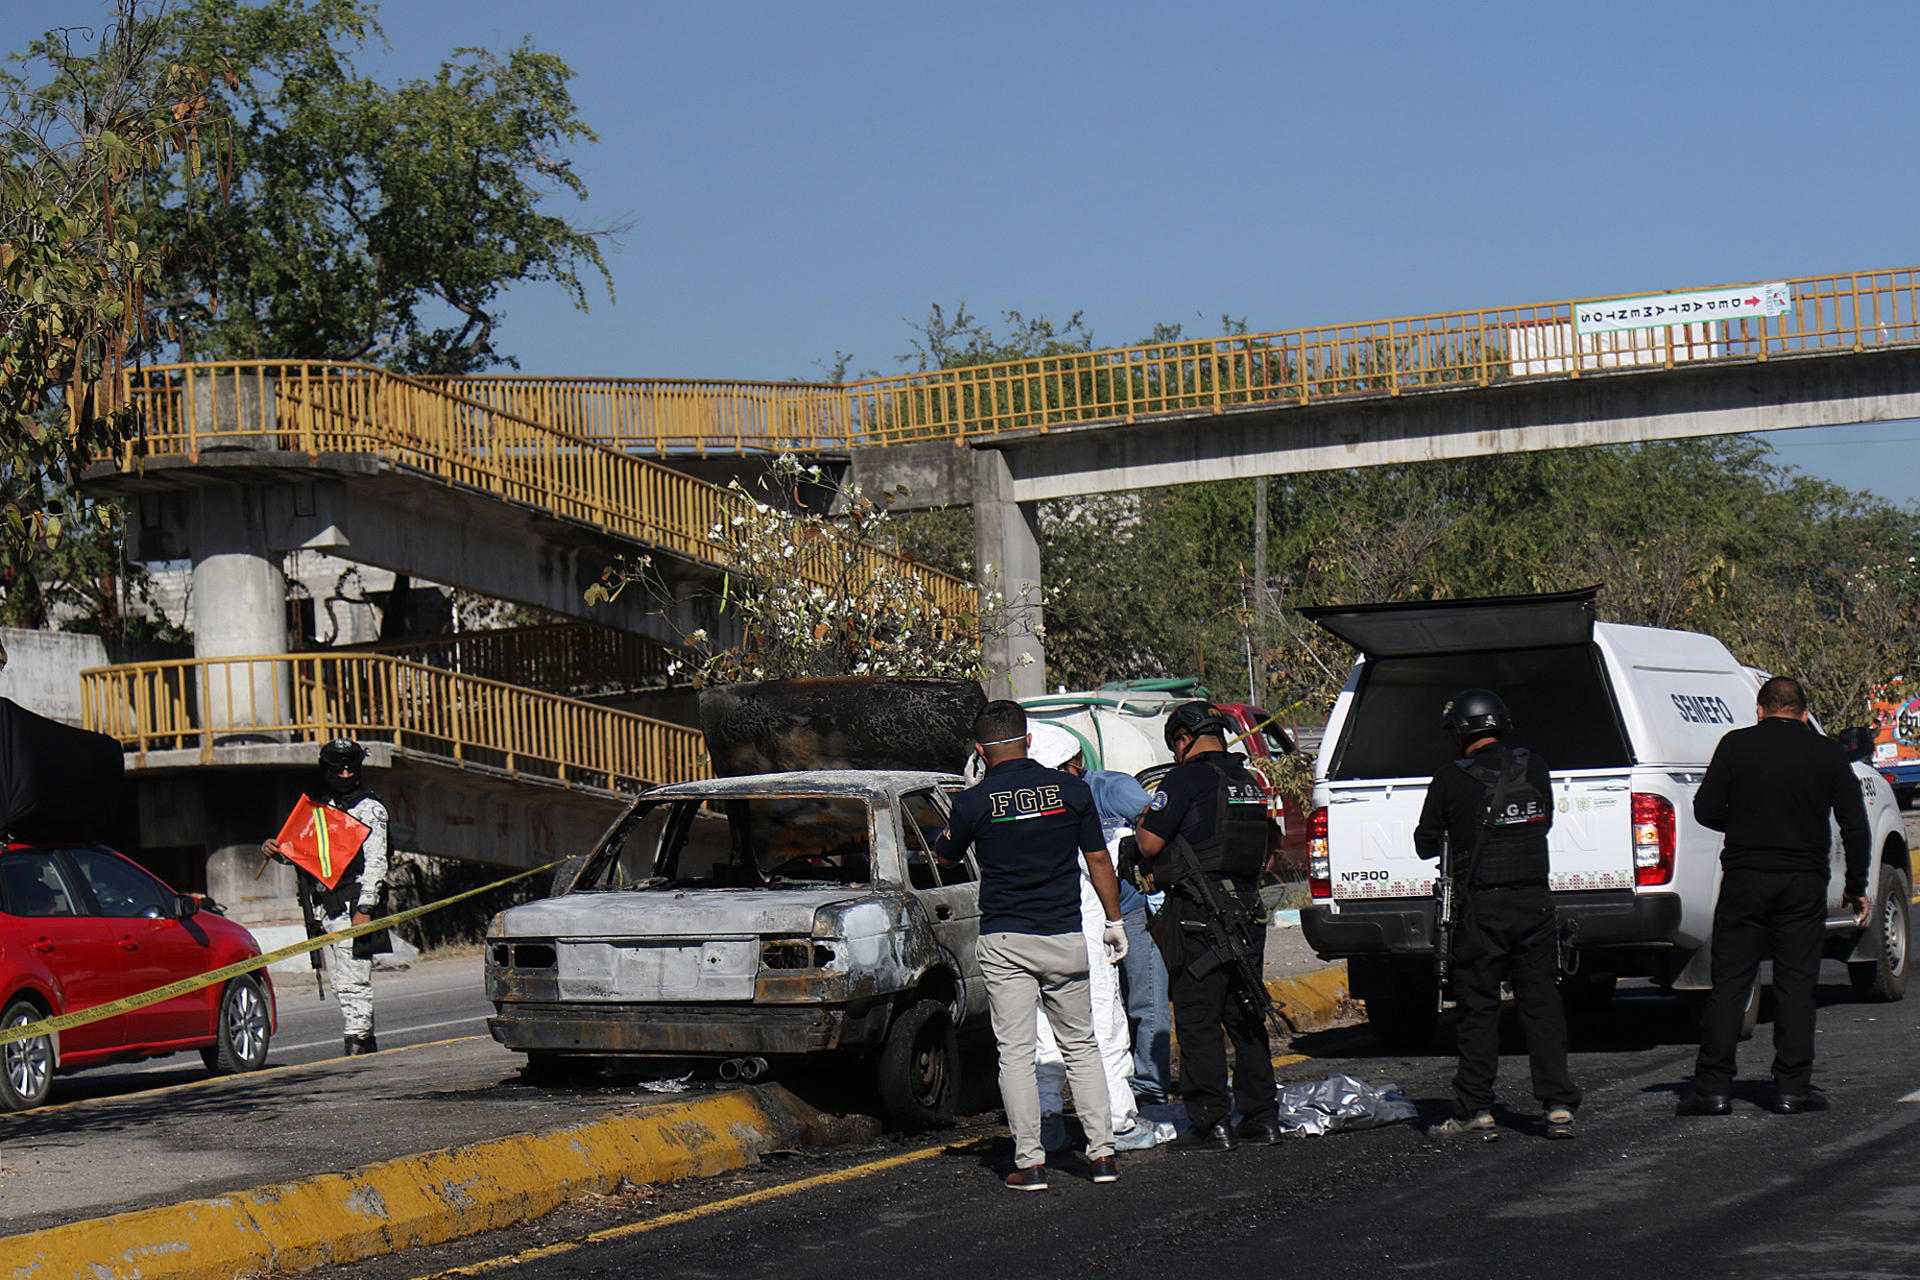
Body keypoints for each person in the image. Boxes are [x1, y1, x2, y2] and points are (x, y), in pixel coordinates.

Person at [934, 701, 1127, 1191]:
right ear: (1028, 740)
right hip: (1065, 935)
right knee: (1081, 1047)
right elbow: (1099, 860)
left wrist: (944, 837)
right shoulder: (1071, 790)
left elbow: (948, 858)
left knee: (1016, 1053)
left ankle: (1030, 1163)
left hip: (1006, 940)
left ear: (980, 750)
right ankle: (1102, 1156)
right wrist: (1114, 921)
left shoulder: (973, 802)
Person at [1676, 675, 1871, 1117]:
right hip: (1802, 881)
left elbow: (1705, 808)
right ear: (1804, 714)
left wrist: (1746, 824)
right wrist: (1856, 886)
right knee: (1797, 984)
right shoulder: (1826, 752)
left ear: (1760, 710)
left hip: (1745, 877)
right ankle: (1791, 1088)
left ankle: (1712, 1089)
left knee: (1730, 983)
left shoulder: (1735, 745)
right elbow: (1855, 824)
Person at [1414, 688, 1580, 1139]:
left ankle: (1475, 1107)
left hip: (1482, 907)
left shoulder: (1452, 778)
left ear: (1459, 731)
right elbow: (1541, 822)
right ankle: (1558, 1105)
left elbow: (1425, 841)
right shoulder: (1535, 767)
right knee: (1543, 1006)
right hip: (1535, 902)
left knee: (1479, 1009)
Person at [1133, 700, 1279, 1152]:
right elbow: (1267, 848)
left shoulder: (1184, 779)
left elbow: (1149, 841)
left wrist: (1143, 824)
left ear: (1182, 739)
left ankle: (1210, 1122)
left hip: (1198, 914)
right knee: (1246, 1013)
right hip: (1247, 911)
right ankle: (1262, 1117)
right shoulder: (1248, 781)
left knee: (1199, 1018)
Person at [1024, 723, 1159, 1152]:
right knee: (1101, 1022)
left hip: (1026, 932)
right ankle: (1118, 1122)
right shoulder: (1074, 802)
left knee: (1041, 1031)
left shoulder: (1003, 806)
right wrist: (1115, 921)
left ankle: (1047, 1124)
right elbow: (1099, 863)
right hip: (1081, 927)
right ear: (1069, 766)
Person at [262, 738, 391, 1055]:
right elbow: (308, 853)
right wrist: (277, 851)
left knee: (354, 974)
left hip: (355, 898)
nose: (346, 774)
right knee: (339, 976)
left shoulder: (370, 809)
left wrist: (366, 906)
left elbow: (377, 862)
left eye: (352, 768)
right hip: (327, 902)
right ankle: (360, 1034)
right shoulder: (321, 808)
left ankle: (357, 1038)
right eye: (339, 768)